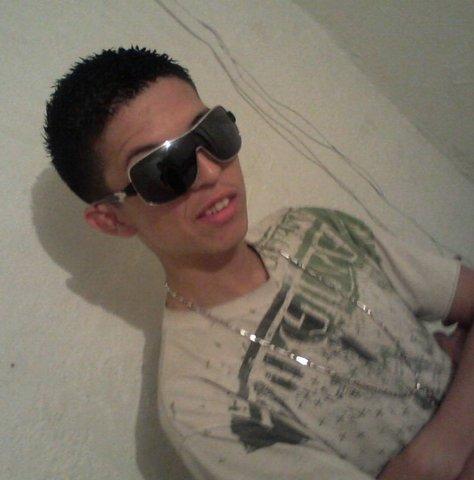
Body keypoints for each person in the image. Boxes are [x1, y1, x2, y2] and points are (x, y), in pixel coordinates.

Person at [44, 47, 474, 479]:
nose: (211, 172)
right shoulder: (199, 403)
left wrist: (430, 457)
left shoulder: (313, 228)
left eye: (212, 133)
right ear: (114, 219)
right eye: (164, 168)